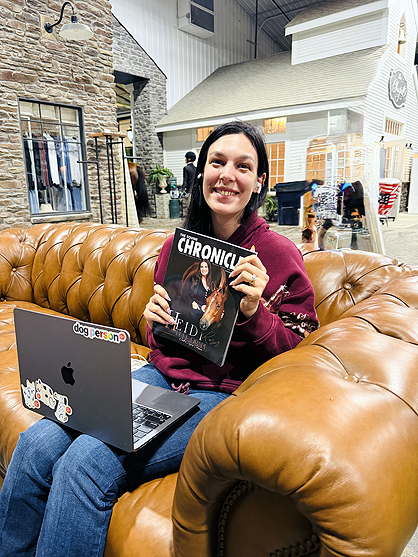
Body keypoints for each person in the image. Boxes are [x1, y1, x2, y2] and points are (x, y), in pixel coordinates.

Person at [0, 121, 318, 557]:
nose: (227, 175)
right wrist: (155, 321)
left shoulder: (277, 254)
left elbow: (300, 355)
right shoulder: (176, 247)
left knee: (86, 461)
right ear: (201, 172)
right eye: (217, 162)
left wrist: (253, 312)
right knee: (36, 444)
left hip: (220, 393)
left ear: (259, 181)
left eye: (243, 166)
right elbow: (162, 340)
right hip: (161, 376)